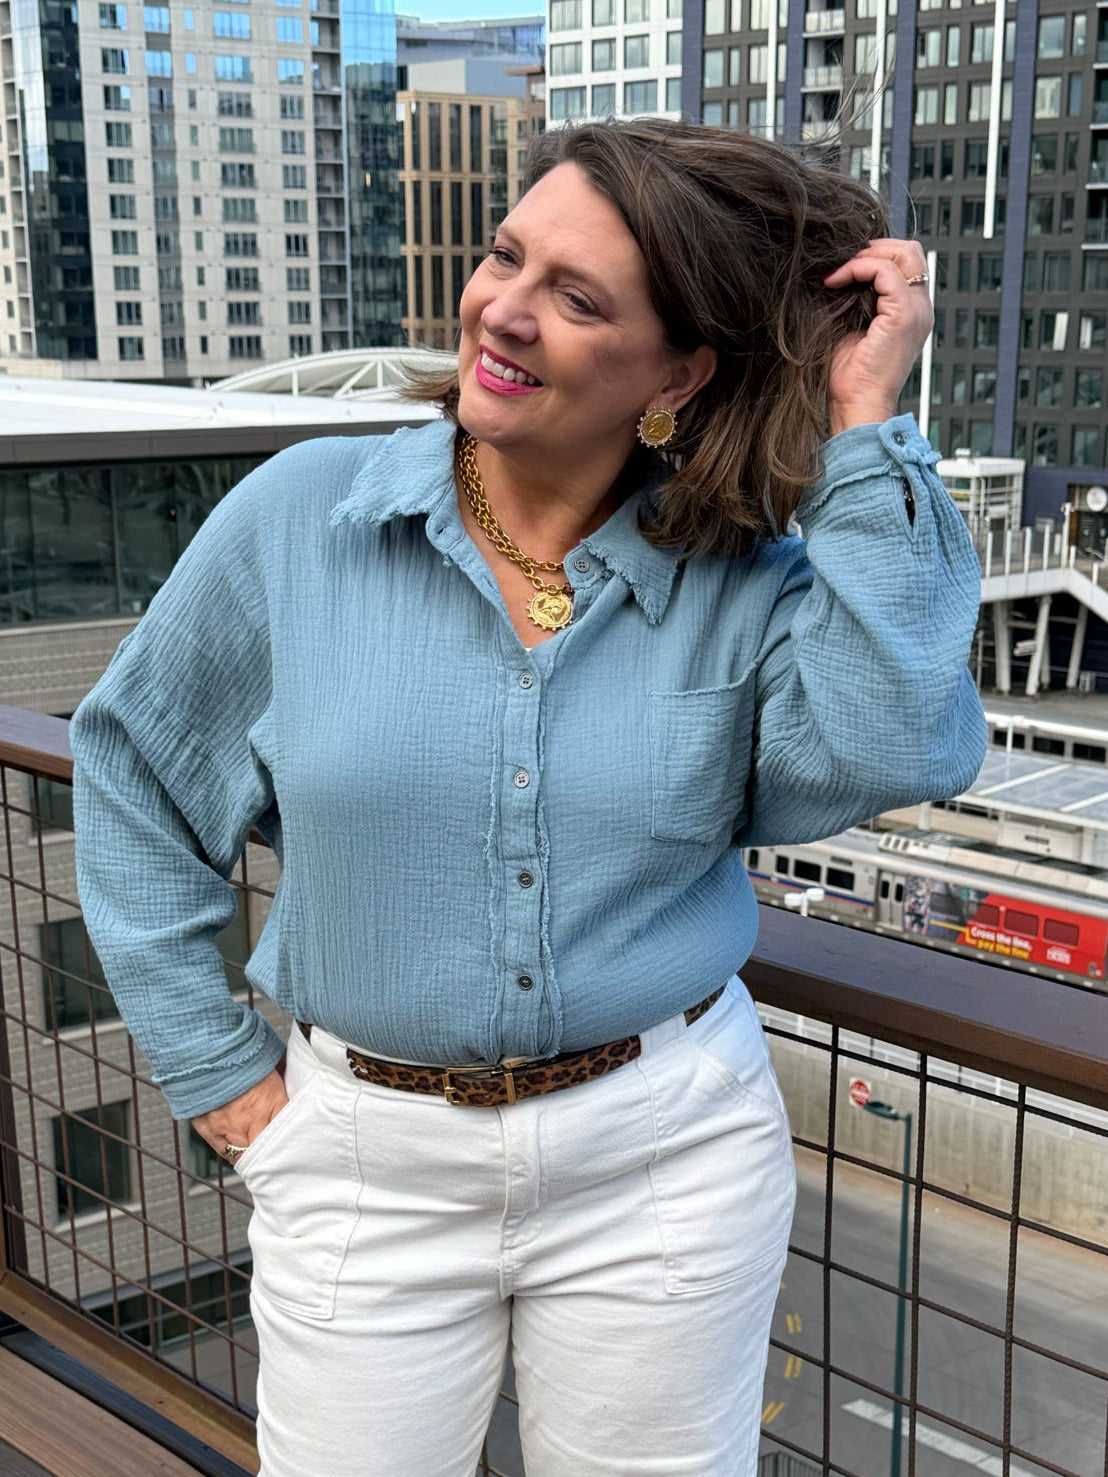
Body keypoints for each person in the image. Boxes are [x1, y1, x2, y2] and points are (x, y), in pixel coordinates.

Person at [70, 119, 986, 1477]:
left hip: (665, 1154)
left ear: (677, 372)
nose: (503, 309)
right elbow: (134, 774)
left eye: (578, 298)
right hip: (364, 1159)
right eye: (507, 257)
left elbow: (901, 742)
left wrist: (865, 422)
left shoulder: (747, 579)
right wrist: (221, 1075)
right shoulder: (302, 518)